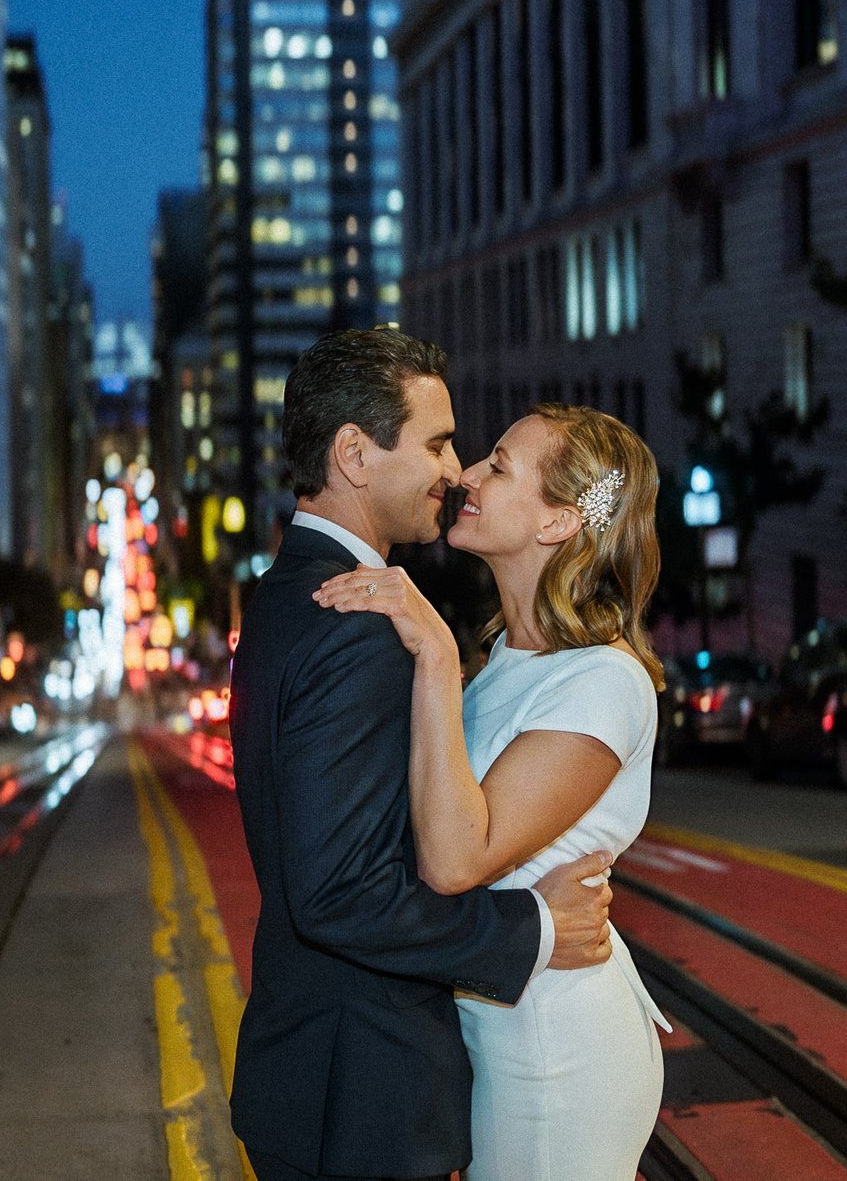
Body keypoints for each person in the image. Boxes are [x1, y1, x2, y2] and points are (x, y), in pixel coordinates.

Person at [229, 332, 619, 1181]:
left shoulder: (285, 593)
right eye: (437, 443)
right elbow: (341, 893)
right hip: (360, 1094)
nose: (455, 470)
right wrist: (536, 926)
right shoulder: (356, 628)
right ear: (355, 454)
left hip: (320, 1077)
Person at [315, 403, 670, 1181]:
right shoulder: (505, 659)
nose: (466, 475)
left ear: (558, 524)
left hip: (554, 1048)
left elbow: (453, 858)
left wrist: (435, 654)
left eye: (499, 467)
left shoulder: (605, 681)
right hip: (495, 1027)